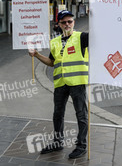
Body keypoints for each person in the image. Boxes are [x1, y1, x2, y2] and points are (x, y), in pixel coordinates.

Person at [28, 10, 89, 159]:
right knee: (57, 114)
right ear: (59, 24)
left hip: (77, 83)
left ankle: (81, 146)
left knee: (81, 115)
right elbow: (52, 62)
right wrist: (36, 55)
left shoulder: (82, 37)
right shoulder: (54, 42)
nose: (67, 24)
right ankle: (57, 142)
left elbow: (101, 37)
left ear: (74, 22)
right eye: (64, 22)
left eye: (70, 21)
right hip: (60, 83)